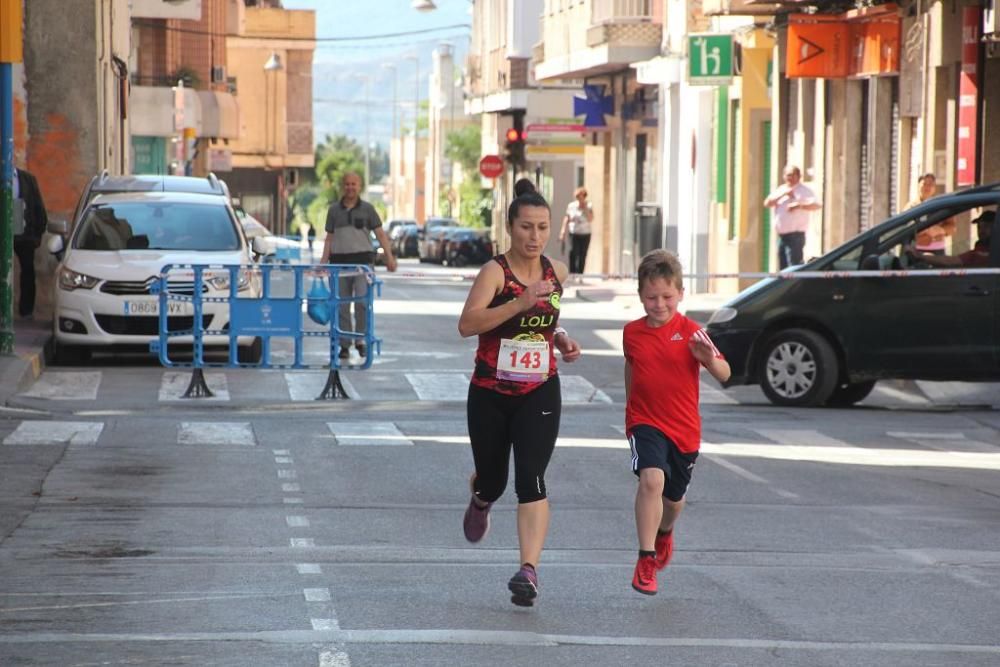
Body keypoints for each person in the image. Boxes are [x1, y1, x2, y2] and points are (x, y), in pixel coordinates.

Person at [457, 191, 582, 607]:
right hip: (490, 392)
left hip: (540, 389)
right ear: (510, 227)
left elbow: (548, 322)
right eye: (526, 227)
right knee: (494, 479)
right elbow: (467, 324)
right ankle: (480, 496)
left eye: (543, 227)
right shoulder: (495, 272)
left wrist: (560, 339)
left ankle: (528, 570)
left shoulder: (557, 270)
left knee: (531, 478)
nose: (535, 236)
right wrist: (518, 302)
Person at [623, 250, 730, 596]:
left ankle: (665, 532)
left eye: (667, 297)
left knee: (673, 501)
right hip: (645, 422)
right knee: (651, 480)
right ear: (640, 296)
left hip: (684, 430)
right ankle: (645, 559)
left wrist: (708, 359)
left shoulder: (692, 332)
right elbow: (632, 366)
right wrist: (631, 407)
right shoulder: (632, 333)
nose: (659, 304)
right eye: (651, 297)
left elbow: (725, 373)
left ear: (681, 293)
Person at [322, 172, 397, 360]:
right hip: (339, 265)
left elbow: (380, 235)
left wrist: (389, 257)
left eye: (354, 184)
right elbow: (329, 238)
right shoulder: (333, 211)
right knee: (341, 306)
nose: (350, 187)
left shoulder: (368, 209)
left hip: (363, 265)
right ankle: (344, 344)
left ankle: (361, 341)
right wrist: (323, 262)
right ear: (342, 186)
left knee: (362, 304)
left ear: (359, 186)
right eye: (347, 184)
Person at [763, 166, 820, 269]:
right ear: (784, 176)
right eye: (788, 175)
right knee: (783, 268)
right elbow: (767, 203)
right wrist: (783, 195)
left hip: (796, 236)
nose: (791, 177)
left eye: (794, 175)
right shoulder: (781, 189)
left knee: (794, 267)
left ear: (799, 176)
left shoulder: (804, 190)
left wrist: (799, 205)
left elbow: (817, 205)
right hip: (782, 237)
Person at [12, 166, 48, 318]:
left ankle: (26, 311)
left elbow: (38, 206)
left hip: (24, 231)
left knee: (27, 271)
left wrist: (38, 234)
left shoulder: (27, 179)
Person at [906, 210, 994, 268]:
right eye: (979, 227)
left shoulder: (985, 252)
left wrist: (920, 256)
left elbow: (952, 261)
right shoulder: (981, 247)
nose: (981, 231)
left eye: (986, 227)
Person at [905, 173, 954, 255]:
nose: (927, 187)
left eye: (930, 184)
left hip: (938, 250)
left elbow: (952, 227)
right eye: (924, 184)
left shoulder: (940, 205)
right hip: (917, 250)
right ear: (918, 186)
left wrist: (940, 230)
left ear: (934, 188)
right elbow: (904, 228)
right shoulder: (911, 207)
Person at [559, 187, 593, 274]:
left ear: (584, 196)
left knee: (582, 254)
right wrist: (563, 230)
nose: (579, 199)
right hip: (574, 232)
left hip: (585, 233)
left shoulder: (589, 205)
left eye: (581, 196)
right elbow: (567, 218)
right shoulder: (571, 206)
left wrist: (584, 208)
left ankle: (580, 274)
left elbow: (590, 219)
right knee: (573, 252)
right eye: (578, 197)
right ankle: (572, 273)